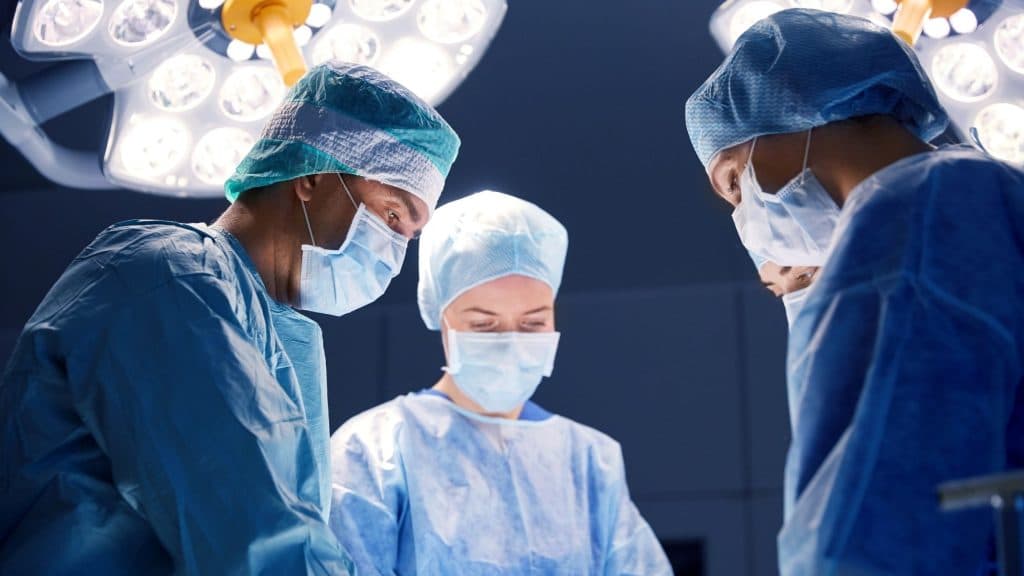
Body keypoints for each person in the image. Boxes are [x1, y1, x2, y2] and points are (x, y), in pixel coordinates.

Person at [0, 61, 460, 574]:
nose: (395, 250)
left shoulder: (286, 340)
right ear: (312, 175)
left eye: (409, 236)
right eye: (394, 214)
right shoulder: (168, 277)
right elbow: (256, 535)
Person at [685, 8, 1024, 576]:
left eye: (730, 183)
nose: (744, 212)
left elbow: (867, 516)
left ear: (786, 114)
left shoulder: (917, 205)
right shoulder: (983, 195)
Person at [328, 191, 672, 574]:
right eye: (483, 324)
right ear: (441, 321)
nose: (510, 340)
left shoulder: (590, 462)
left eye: (532, 323)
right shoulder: (374, 451)